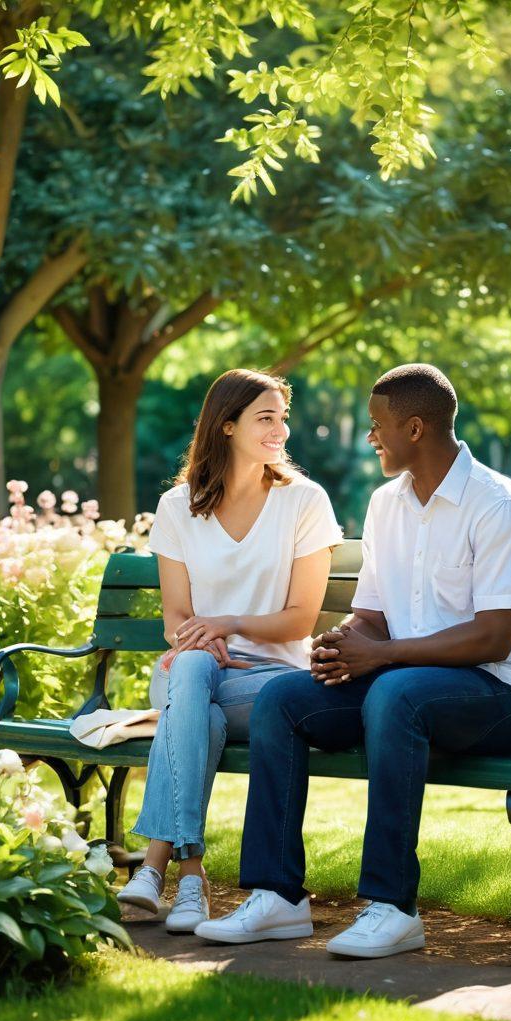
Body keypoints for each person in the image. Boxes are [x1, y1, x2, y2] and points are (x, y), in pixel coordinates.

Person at [195, 363, 511, 957]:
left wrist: (379, 656)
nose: (370, 437)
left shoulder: (498, 507)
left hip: (497, 696)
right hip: (405, 686)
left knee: (395, 692)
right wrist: (344, 643)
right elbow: (375, 617)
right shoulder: (387, 504)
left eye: (377, 425)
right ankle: (277, 896)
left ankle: (391, 906)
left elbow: (493, 637)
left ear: (414, 428)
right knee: (285, 699)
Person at [117, 368, 343, 933]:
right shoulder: (178, 506)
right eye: (266, 419)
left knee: (194, 701)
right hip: (192, 671)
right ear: (226, 426)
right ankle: (189, 883)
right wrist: (200, 640)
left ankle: (160, 868)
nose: (281, 431)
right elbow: (176, 617)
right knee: (194, 681)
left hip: (271, 683)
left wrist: (226, 623)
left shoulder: (304, 502)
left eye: (282, 418)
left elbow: (302, 620)